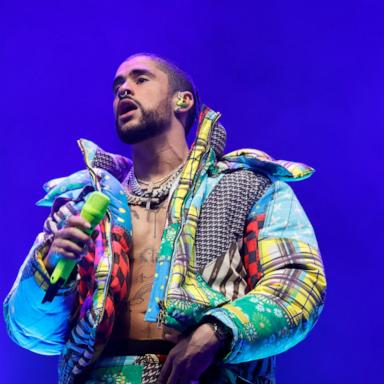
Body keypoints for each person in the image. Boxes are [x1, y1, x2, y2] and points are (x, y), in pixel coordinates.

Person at [4, 53, 327, 384]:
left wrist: (219, 331)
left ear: (183, 100)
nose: (124, 91)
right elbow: (28, 329)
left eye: (140, 80)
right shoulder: (84, 201)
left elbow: (299, 283)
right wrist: (52, 268)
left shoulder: (247, 185)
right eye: (118, 86)